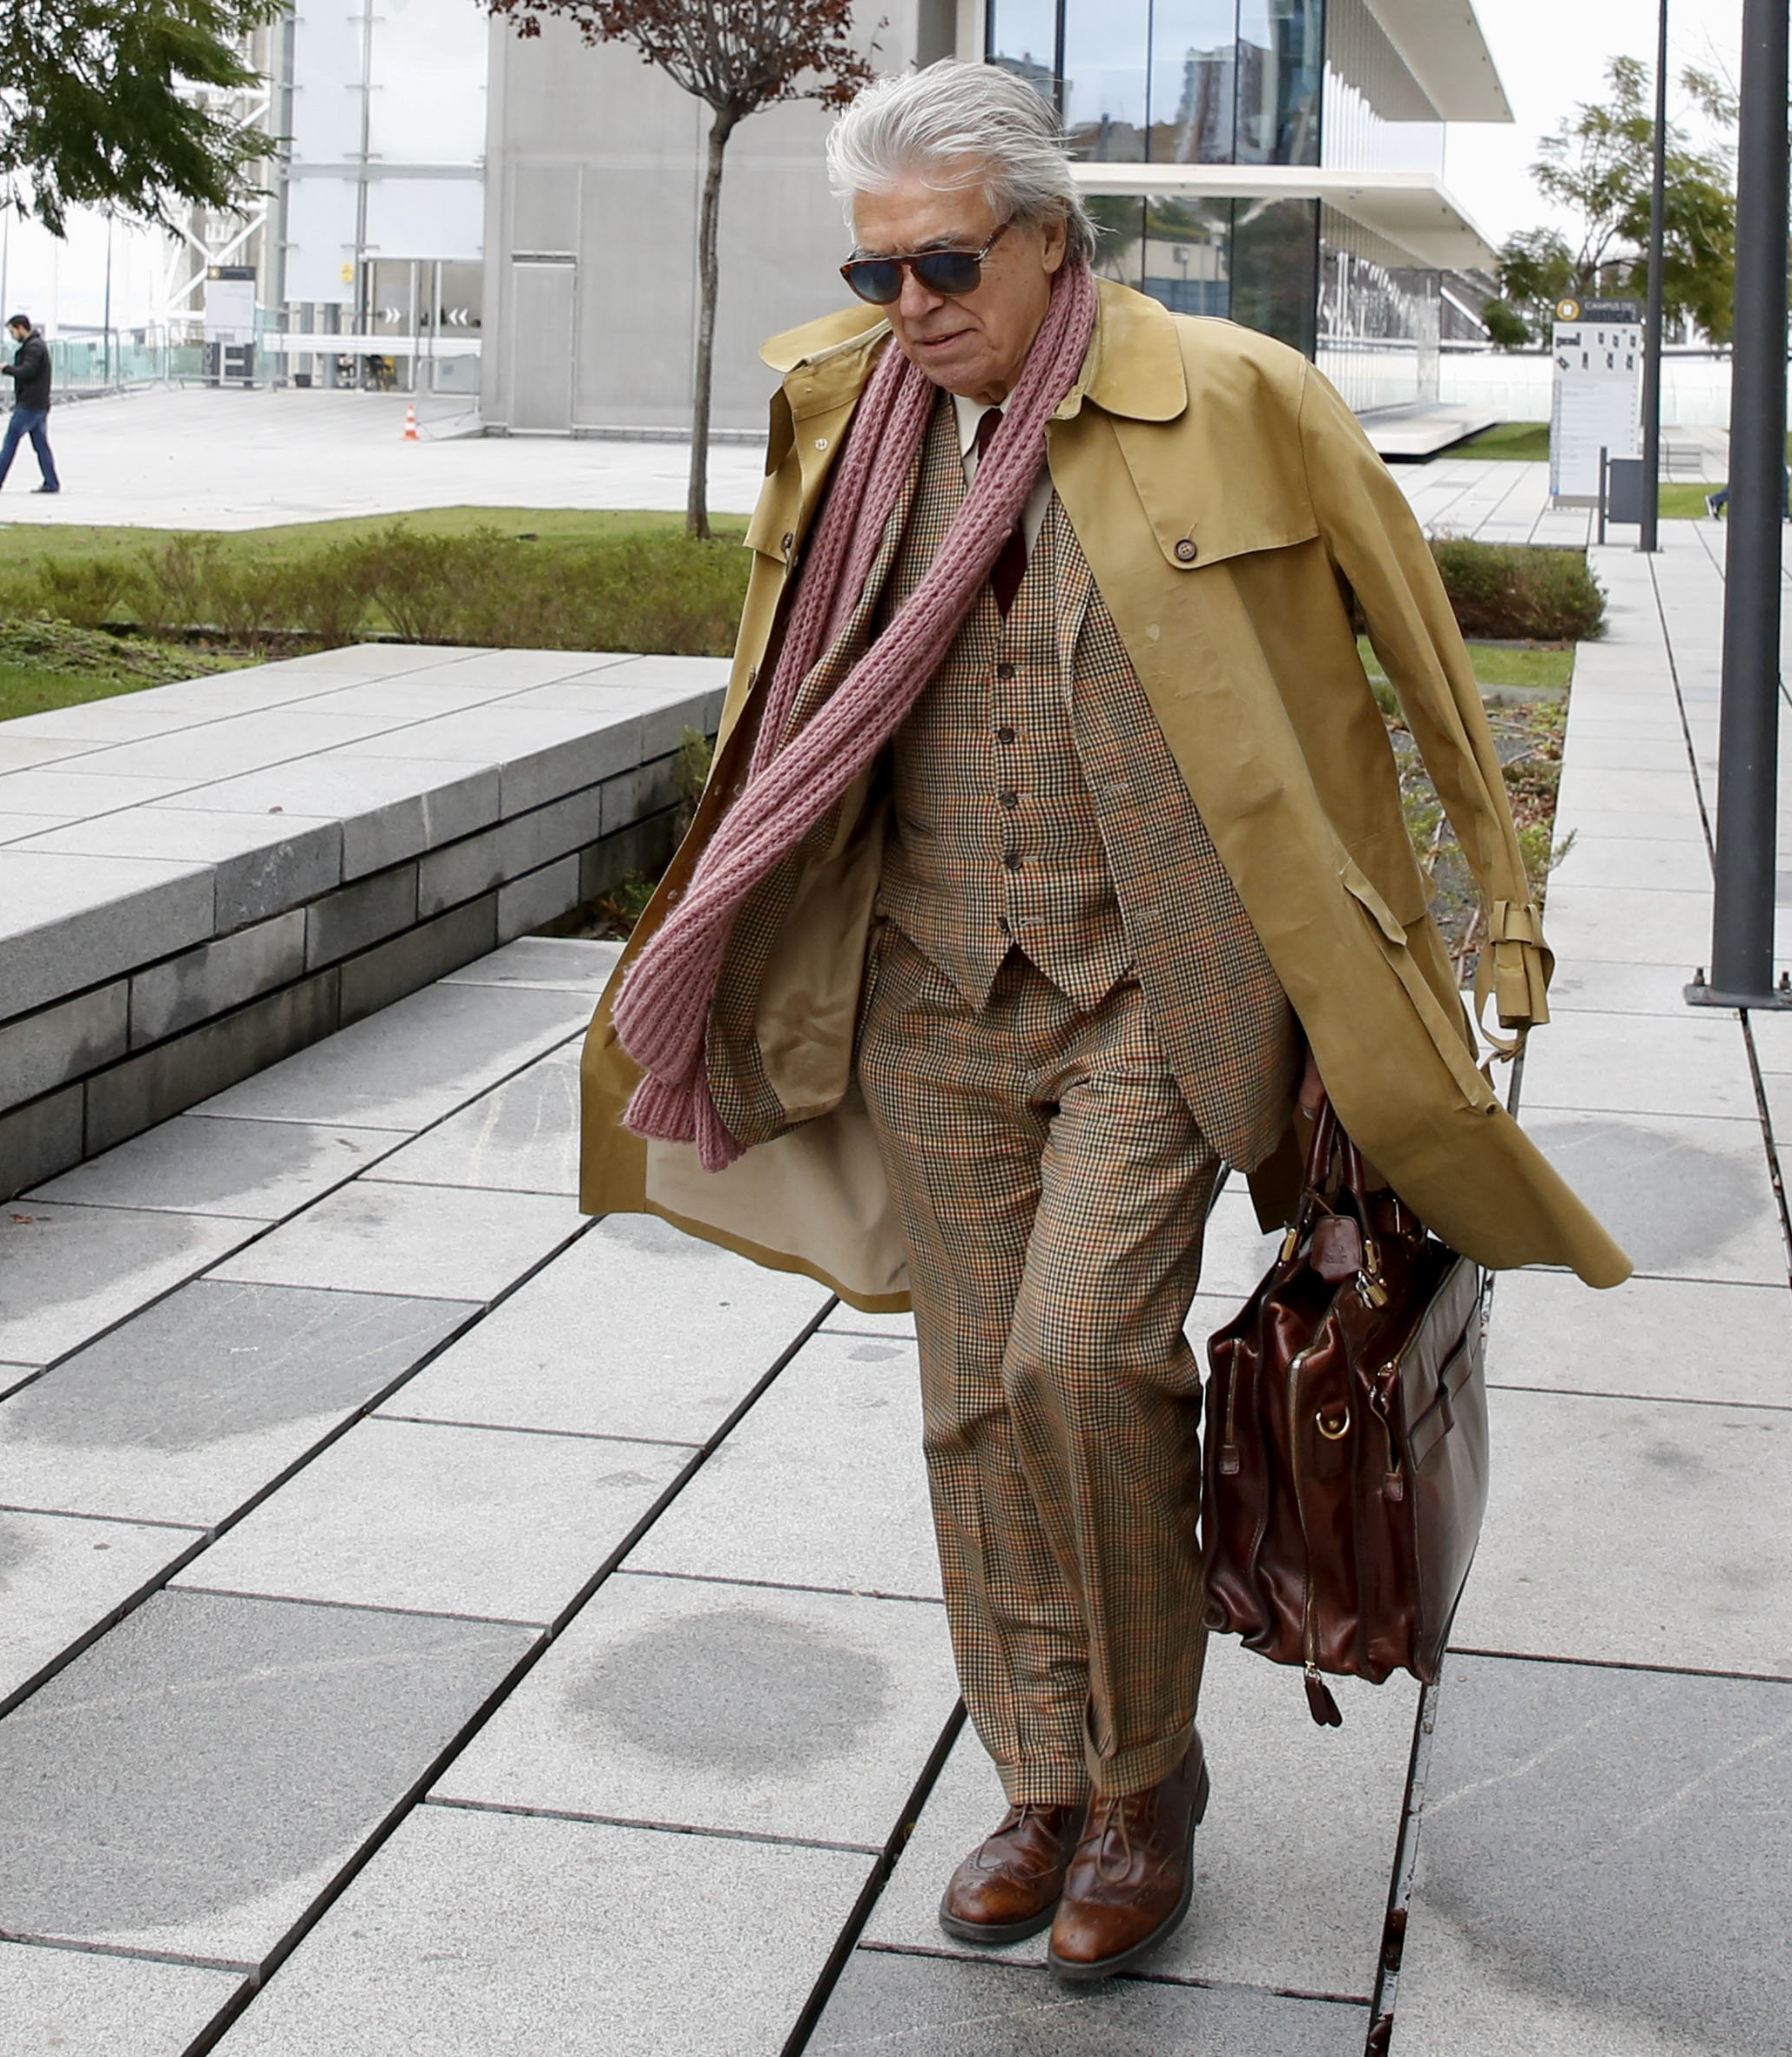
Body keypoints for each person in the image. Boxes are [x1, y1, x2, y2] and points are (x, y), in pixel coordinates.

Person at [581, 60, 1626, 1983]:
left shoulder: (1233, 396)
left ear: (1051, 237)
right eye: (876, 270)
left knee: (1079, 1357)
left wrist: (1496, 911)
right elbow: (776, 680)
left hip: (1162, 980)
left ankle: (1147, 1783)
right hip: (926, 984)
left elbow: (1421, 649)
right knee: (974, 1402)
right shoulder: (842, 414)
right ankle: (1039, 1779)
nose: (910, 306)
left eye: (946, 264)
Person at [0, 314, 58, 494]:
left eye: (12, 331)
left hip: (29, 405)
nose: (12, 335)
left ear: (21, 328)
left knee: (11, 441)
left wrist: (7, 369)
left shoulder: (34, 347)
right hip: (39, 404)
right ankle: (52, 482)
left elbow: (27, 371)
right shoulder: (37, 345)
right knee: (41, 446)